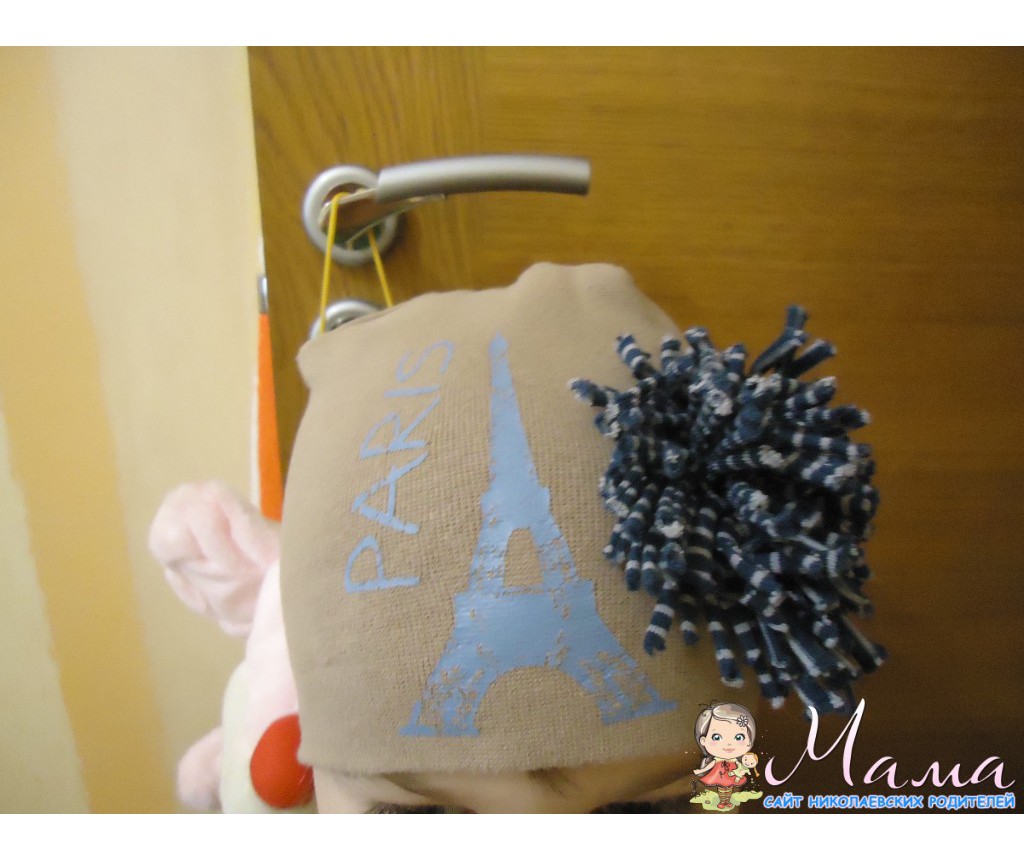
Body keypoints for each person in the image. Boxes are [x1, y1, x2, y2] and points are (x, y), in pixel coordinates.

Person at [693, 702, 756, 810]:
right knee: (722, 788)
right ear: (704, 740)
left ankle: (726, 801)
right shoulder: (717, 760)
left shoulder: (736, 760)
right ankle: (723, 801)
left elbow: (743, 765)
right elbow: (710, 765)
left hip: (731, 775)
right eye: (716, 737)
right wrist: (701, 771)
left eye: (739, 737)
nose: (729, 744)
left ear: (749, 741)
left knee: (729, 788)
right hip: (719, 774)